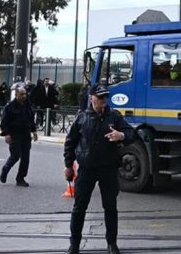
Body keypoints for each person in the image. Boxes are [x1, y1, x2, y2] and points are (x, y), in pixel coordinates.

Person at [64, 85, 134, 254]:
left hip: (108, 169)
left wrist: (121, 136)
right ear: (92, 98)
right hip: (86, 169)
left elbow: (131, 133)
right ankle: (74, 244)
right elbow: (70, 142)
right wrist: (68, 165)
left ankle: (112, 244)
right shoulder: (81, 118)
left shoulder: (114, 117)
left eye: (106, 97)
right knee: (79, 208)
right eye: (100, 97)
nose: (104, 100)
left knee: (110, 207)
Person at [0, 87, 38, 187]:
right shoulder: (10, 107)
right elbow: (4, 122)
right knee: (15, 155)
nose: (24, 96)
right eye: (21, 94)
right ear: (16, 95)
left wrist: (34, 131)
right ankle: (6, 169)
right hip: (14, 135)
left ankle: (20, 178)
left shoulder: (27, 106)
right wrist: (7, 134)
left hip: (26, 134)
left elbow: (31, 119)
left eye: (25, 94)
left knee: (26, 157)